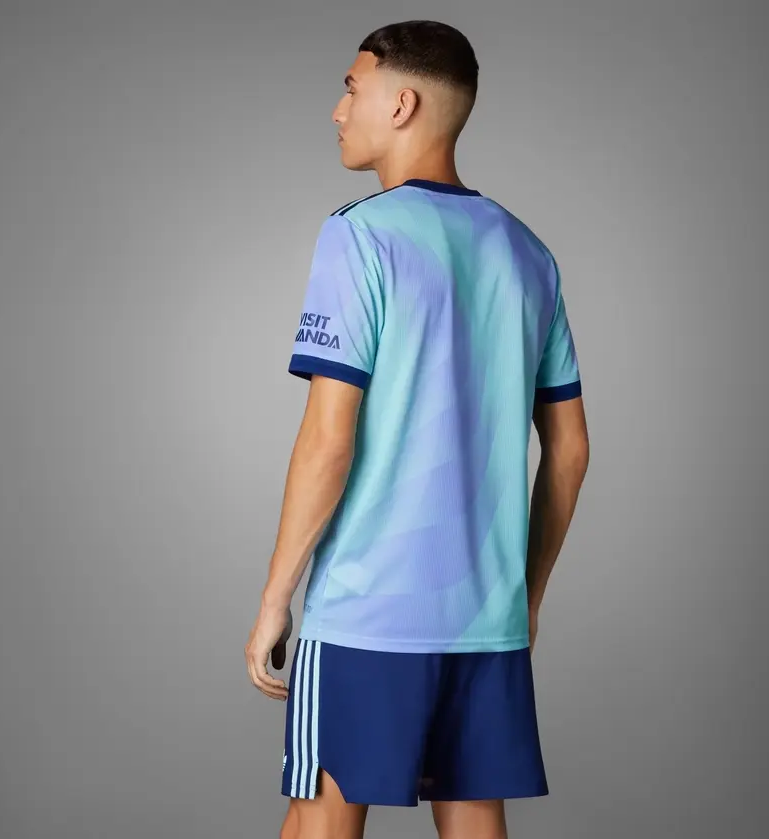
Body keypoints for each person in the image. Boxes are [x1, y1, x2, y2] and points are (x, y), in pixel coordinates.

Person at [245, 19, 589, 839]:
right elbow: (570, 450)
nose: (338, 110)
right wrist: (525, 596)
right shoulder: (528, 252)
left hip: (367, 610)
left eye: (351, 89)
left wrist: (274, 597)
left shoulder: (359, 235)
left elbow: (328, 439)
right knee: (474, 820)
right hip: (486, 617)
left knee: (320, 819)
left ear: (401, 105)